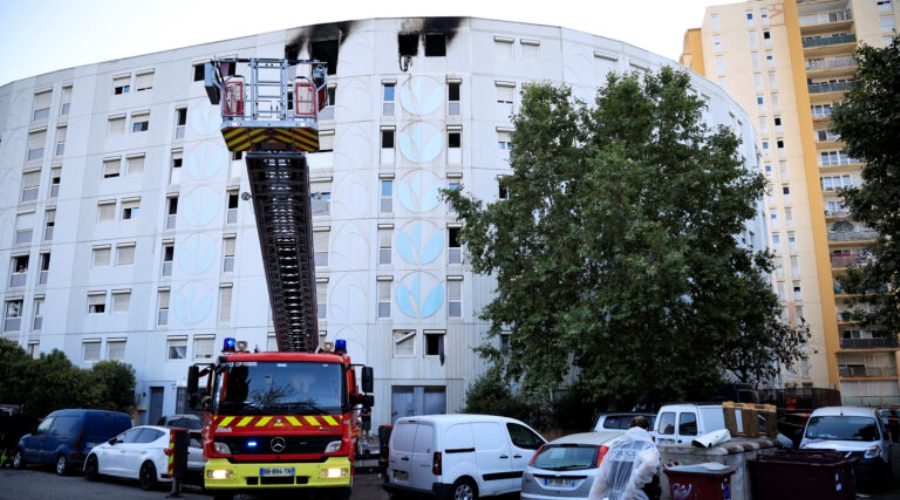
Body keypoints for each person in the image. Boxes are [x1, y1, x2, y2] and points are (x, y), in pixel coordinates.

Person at [588, 416, 660, 500]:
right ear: (647, 429)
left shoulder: (616, 446)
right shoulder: (647, 446)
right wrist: (631, 490)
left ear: (630, 428)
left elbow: (601, 479)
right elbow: (650, 463)